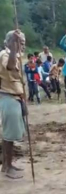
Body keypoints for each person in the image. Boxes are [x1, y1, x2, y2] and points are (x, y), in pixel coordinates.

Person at [0, 30, 26, 179]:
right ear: (9, 42)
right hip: (8, 96)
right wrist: (13, 49)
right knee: (9, 135)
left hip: (14, 97)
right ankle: (7, 167)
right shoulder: (6, 54)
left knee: (10, 135)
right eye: (18, 42)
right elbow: (9, 67)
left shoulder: (15, 56)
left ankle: (7, 165)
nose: (21, 46)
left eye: (22, 43)